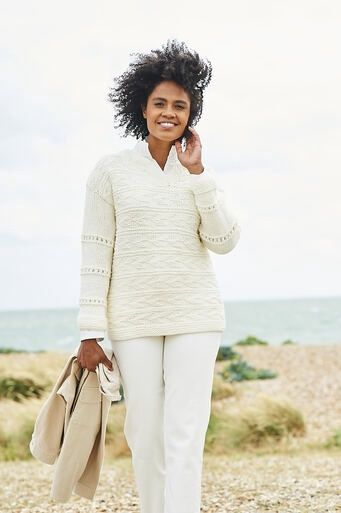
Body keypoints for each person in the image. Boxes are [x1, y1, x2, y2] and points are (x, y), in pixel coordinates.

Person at [76, 39, 241, 513]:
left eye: (180, 106)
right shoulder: (110, 172)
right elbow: (95, 254)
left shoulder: (198, 173)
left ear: (192, 113)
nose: (170, 113)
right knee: (145, 434)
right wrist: (91, 332)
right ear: (142, 107)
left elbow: (225, 240)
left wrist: (200, 175)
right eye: (160, 104)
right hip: (133, 321)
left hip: (195, 315)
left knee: (185, 433)